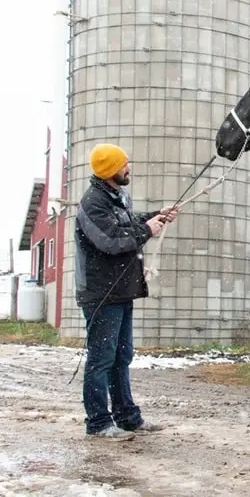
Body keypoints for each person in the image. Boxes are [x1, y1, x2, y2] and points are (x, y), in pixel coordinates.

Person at [75, 143, 179, 440]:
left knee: (122, 356)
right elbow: (111, 240)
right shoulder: (93, 203)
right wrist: (148, 230)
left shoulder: (115, 197)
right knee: (101, 359)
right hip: (101, 295)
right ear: (110, 171)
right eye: (124, 164)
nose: (128, 168)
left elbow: (127, 224)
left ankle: (127, 418)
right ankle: (98, 423)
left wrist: (157, 215)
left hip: (120, 291)